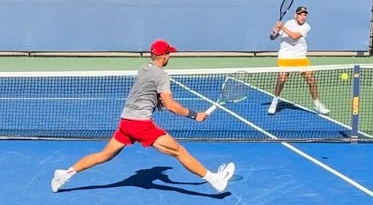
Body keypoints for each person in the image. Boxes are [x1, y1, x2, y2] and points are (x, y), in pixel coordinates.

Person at [51, 39, 236, 194]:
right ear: (163, 56)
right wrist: (195, 115)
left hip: (126, 121)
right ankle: (215, 180)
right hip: (140, 125)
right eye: (169, 54)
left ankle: (66, 173)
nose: (170, 56)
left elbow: (144, 91)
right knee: (179, 151)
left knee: (104, 155)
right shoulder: (162, 76)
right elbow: (171, 105)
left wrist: (156, 101)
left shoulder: (144, 68)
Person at [267, 6, 329, 115]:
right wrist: (275, 31)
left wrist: (282, 27)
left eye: (305, 15)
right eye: (301, 14)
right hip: (285, 56)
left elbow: (295, 36)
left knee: (311, 80)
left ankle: (317, 105)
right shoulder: (288, 23)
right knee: (281, 79)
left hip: (300, 57)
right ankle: (274, 102)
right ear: (296, 15)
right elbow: (272, 38)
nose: (303, 17)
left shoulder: (306, 27)